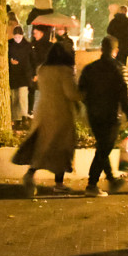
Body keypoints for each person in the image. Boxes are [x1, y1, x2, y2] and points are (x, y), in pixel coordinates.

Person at [13, 43, 81, 195]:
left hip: (43, 111)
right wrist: (84, 94)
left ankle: (31, 173)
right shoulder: (65, 71)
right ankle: (59, 182)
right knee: (62, 148)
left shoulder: (42, 69)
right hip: (61, 113)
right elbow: (71, 93)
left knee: (43, 145)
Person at [78, 36, 128, 197]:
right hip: (112, 115)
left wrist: (89, 104)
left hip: (94, 114)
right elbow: (125, 95)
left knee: (102, 147)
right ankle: (91, 184)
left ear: (101, 49)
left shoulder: (90, 68)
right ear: (115, 51)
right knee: (104, 149)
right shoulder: (119, 68)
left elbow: (81, 90)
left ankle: (111, 179)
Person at [8, 26, 34, 125]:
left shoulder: (27, 45)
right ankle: (16, 118)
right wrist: (10, 61)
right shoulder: (9, 44)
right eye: (15, 37)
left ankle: (24, 116)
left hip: (24, 75)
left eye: (19, 37)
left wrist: (33, 73)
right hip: (13, 75)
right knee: (14, 97)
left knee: (22, 96)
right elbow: (6, 56)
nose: (17, 39)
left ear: (22, 36)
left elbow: (32, 60)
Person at [29, 26, 53, 113]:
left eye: (36, 33)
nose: (34, 35)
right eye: (33, 33)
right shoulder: (33, 46)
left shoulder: (49, 47)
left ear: (42, 33)